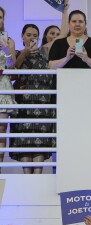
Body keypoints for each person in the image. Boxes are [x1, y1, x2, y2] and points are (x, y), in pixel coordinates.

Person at [11, 23, 56, 173]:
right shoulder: (16, 53)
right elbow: (13, 70)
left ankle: (37, 181)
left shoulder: (45, 52)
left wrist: (64, 11)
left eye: (35, 35)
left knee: (39, 146)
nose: (32, 38)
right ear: (22, 37)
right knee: (25, 144)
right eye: (28, 35)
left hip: (43, 105)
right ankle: (27, 183)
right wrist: (24, 52)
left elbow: (62, 36)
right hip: (24, 106)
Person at [0, 6, 16, 167]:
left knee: (1, 130)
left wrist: (6, 50)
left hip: (2, 84)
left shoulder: (8, 40)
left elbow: (12, 65)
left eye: (0, 17)